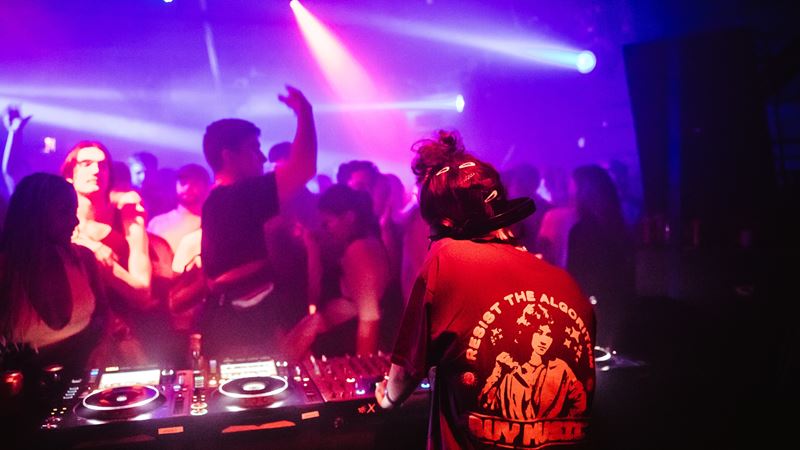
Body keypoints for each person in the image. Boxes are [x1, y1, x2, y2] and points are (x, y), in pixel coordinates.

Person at [375, 130, 596, 450]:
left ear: (443, 224)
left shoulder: (445, 260)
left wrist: (386, 398)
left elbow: (403, 378)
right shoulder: (566, 282)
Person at [199, 85, 316, 359]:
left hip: (235, 323)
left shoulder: (217, 200)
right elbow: (304, 167)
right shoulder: (237, 195)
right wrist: (305, 114)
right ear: (228, 156)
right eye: (254, 149)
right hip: (243, 330)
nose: (262, 157)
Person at [0, 173, 108, 376]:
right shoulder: (5, 271)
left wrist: (100, 348)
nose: (75, 220)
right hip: (25, 390)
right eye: (65, 211)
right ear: (35, 214)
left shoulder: (83, 258)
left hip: (84, 375)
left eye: (74, 211)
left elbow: (103, 314)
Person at [566, 164, 635, 349]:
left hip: (594, 303)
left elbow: (578, 273)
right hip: (617, 301)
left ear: (583, 192)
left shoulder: (583, 230)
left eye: (572, 187)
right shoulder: (620, 225)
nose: (569, 192)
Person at [147, 163, 211, 253]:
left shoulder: (211, 224)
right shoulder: (157, 223)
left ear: (206, 187)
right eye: (183, 182)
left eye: (195, 183)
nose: (188, 187)